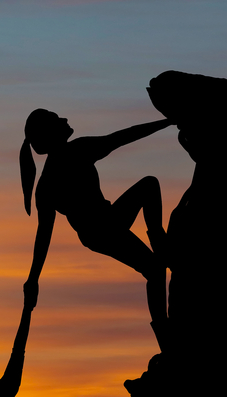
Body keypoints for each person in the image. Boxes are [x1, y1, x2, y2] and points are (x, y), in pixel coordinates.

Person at [20, 109, 173, 350]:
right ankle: (165, 336)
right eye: (57, 119)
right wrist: (33, 278)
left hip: (100, 227)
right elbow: (44, 236)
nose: (65, 119)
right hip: (103, 227)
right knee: (149, 189)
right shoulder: (67, 162)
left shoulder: (59, 169)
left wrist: (33, 279)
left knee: (154, 267)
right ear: (50, 133)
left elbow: (124, 136)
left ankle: (166, 339)